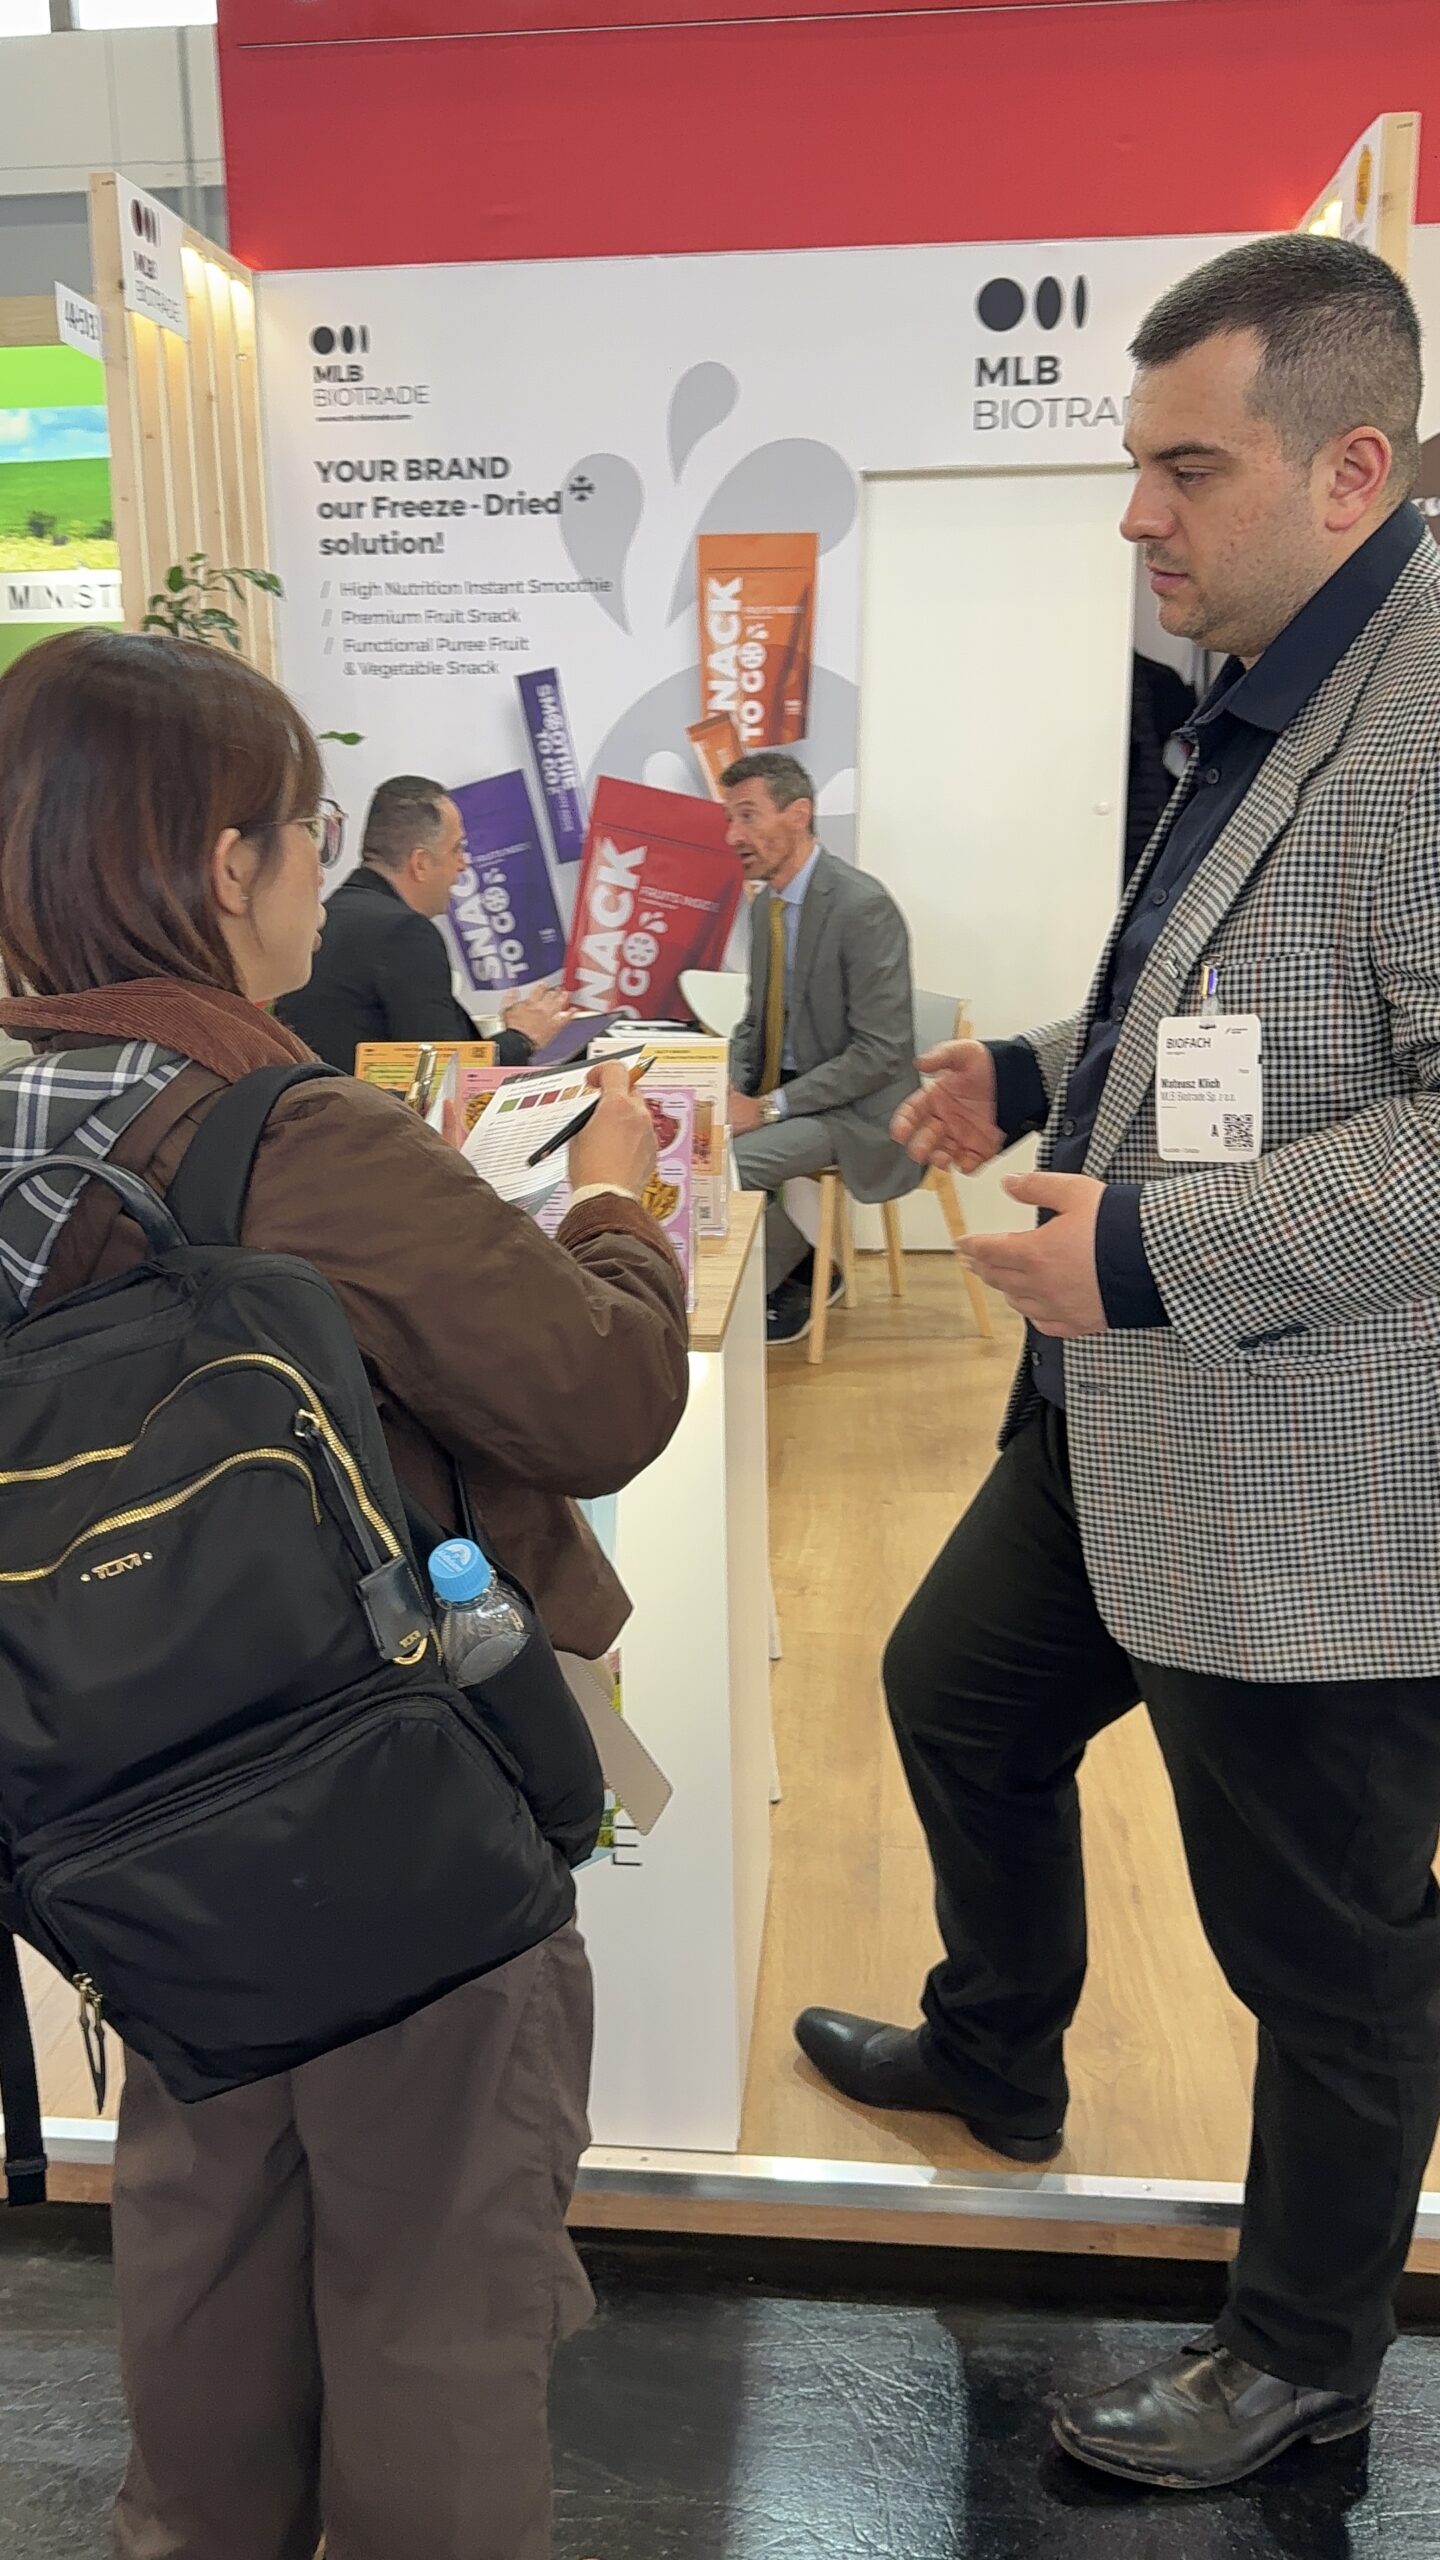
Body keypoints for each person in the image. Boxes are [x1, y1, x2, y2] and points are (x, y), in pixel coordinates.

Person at [795, 235, 1440, 2491]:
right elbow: (1234, 1010)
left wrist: (1149, 1247)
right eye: (1134, 465)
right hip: (1129, 1409)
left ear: (1351, 468)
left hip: (1306, 1462)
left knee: (1323, 1943)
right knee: (955, 1694)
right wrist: (1031, 1066)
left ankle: (1303, 2356)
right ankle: (1003, 2048)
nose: (1137, 516)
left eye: (1188, 468)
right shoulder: (1261, 674)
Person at [0, 628, 690, 2560]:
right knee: (436, 2301)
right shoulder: (283, 1134)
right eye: (304, 831)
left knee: (205, 2257)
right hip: (387, 1806)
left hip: (115, 1828)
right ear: (229, 865)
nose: (318, 868)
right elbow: (602, 1393)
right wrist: (621, 1202)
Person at [724, 751, 922, 1345]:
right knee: (691, 1149)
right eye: (730, 819)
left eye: (748, 816)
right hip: (793, 1095)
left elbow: (881, 1052)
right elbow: (755, 1021)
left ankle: (799, 1275)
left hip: (857, 1110)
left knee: (728, 1168)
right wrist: (730, 1084)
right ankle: (798, 1274)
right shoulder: (767, 907)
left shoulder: (863, 908)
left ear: (799, 814)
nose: (734, 836)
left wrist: (766, 1109)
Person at [276, 770, 572, 1069]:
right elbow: (445, 1076)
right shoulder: (404, 933)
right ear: (420, 864)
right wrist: (522, 1037)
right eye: (457, 849)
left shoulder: (331, 917)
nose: (463, 864)